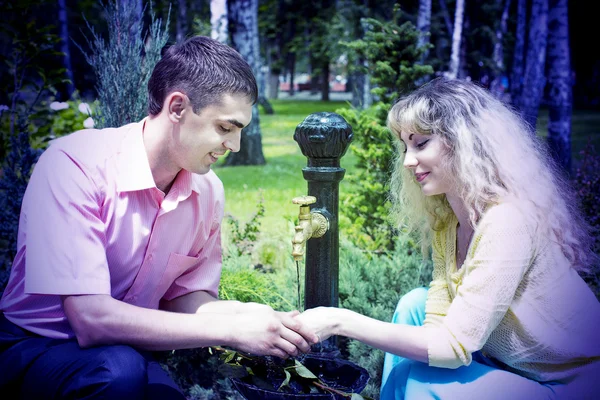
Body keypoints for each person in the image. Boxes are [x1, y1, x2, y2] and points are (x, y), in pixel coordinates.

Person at [0, 36, 317, 399]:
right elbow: (90, 320)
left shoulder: (208, 190)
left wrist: (248, 316)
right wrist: (230, 333)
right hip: (33, 346)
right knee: (118, 373)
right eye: (225, 128)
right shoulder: (74, 166)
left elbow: (184, 298)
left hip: (124, 352)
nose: (235, 146)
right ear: (178, 107)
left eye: (240, 130)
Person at [296, 77, 600, 399]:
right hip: (510, 365)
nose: (407, 160)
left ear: (464, 143)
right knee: (414, 305)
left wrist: (340, 321)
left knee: (420, 379)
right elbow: (436, 328)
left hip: (573, 385)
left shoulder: (508, 221)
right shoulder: (448, 219)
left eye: (421, 143)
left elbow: (452, 347)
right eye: (404, 145)